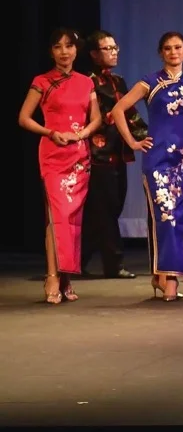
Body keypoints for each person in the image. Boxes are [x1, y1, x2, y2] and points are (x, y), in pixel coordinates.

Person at [111, 31, 183, 301]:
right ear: (161, 53)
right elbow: (118, 109)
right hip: (158, 160)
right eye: (167, 48)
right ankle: (171, 279)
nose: (173, 52)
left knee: (178, 218)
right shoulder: (150, 82)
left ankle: (160, 276)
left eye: (178, 47)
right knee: (166, 215)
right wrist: (133, 141)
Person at [18, 29, 102, 304]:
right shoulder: (42, 81)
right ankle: (52, 276)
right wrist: (50, 133)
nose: (64, 52)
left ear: (77, 50)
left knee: (73, 217)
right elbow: (24, 118)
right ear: (51, 52)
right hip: (53, 154)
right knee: (56, 215)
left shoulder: (86, 83)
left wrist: (81, 134)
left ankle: (66, 277)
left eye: (69, 46)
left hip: (79, 154)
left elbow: (96, 119)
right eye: (58, 47)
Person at [83, 30, 147, 279]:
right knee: (106, 210)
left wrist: (147, 137)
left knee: (110, 209)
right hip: (97, 154)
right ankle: (113, 263)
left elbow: (131, 114)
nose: (113, 52)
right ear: (93, 54)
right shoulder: (86, 82)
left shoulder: (118, 81)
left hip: (118, 152)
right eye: (107, 48)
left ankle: (76, 260)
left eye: (115, 47)